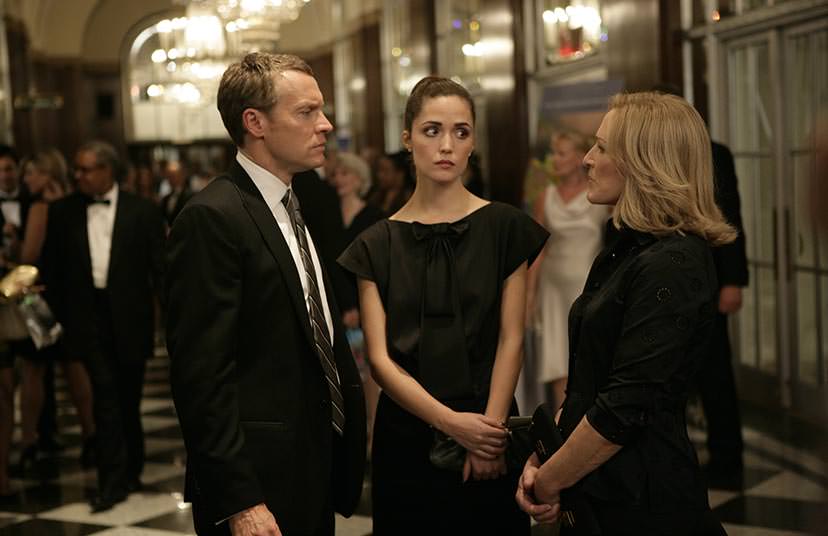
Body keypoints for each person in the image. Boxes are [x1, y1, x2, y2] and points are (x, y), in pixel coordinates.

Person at [166, 52, 366, 536]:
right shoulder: (213, 217)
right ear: (254, 122)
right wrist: (241, 501)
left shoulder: (294, 203)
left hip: (310, 461)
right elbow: (201, 377)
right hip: (258, 480)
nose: (325, 125)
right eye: (306, 112)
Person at [338, 76, 548, 534]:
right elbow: (379, 360)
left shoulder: (504, 227)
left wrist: (489, 435)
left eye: (461, 131)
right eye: (432, 130)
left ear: (473, 142)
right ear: (407, 138)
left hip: (490, 422)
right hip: (408, 431)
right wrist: (452, 425)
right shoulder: (375, 243)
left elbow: (511, 338)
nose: (447, 145)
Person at [516, 92, 732, 535]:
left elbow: (624, 407)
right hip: (599, 489)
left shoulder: (674, 262)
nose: (588, 160)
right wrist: (545, 456)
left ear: (644, 163)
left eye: (602, 147)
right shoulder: (627, 248)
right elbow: (590, 382)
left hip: (643, 502)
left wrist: (550, 479)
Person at [40, 140, 165, 512]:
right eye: (76, 169)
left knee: (128, 397)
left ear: (107, 170)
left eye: (85, 169)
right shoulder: (62, 212)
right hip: (87, 317)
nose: (77, 176)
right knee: (105, 397)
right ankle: (111, 482)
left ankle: (132, 468)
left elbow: (160, 270)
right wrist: (60, 321)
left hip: (130, 318)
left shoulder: (142, 210)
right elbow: (52, 270)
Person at [16, 149, 96, 473]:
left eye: (30, 173)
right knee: (76, 369)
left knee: (33, 372)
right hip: (73, 295)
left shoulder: (41, 207)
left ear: (45, 173)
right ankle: (91, 436)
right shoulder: (76, 202)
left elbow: (29, 255)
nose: (25, 180)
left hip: (45, 298)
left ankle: (28, 442)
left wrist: (14, 246)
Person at [526, 131, 607, 412]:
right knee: (556, 358)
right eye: (553, 153)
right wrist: (529, 295)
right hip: (552, 288)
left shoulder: (602, 195)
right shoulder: (545, 197)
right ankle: (562, 427)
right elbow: (539, 250)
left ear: (579, 157)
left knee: (589, 356)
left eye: (561, 153)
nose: (554, 160)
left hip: (588, 287)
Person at [331, 152, 384, 450]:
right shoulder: (327, 214)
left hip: (365, 305)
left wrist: (359, 308)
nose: (340, 179)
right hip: (336, 305)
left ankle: (373, 434)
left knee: (370, 372)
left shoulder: (373, 215)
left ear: (359, 179)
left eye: (346, 174)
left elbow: (374, 267)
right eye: (337, 174)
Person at [366, 150, 413, 215]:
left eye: (385, 171)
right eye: (379, 170)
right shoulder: (373, 194)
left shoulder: (410, 198)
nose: (380, 175)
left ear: (400, 174)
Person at [160, 161, 193, 226]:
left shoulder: (190, 196)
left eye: (173, 175)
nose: (170, 179)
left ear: (182, 176)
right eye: (169, 176)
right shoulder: (166, 198)